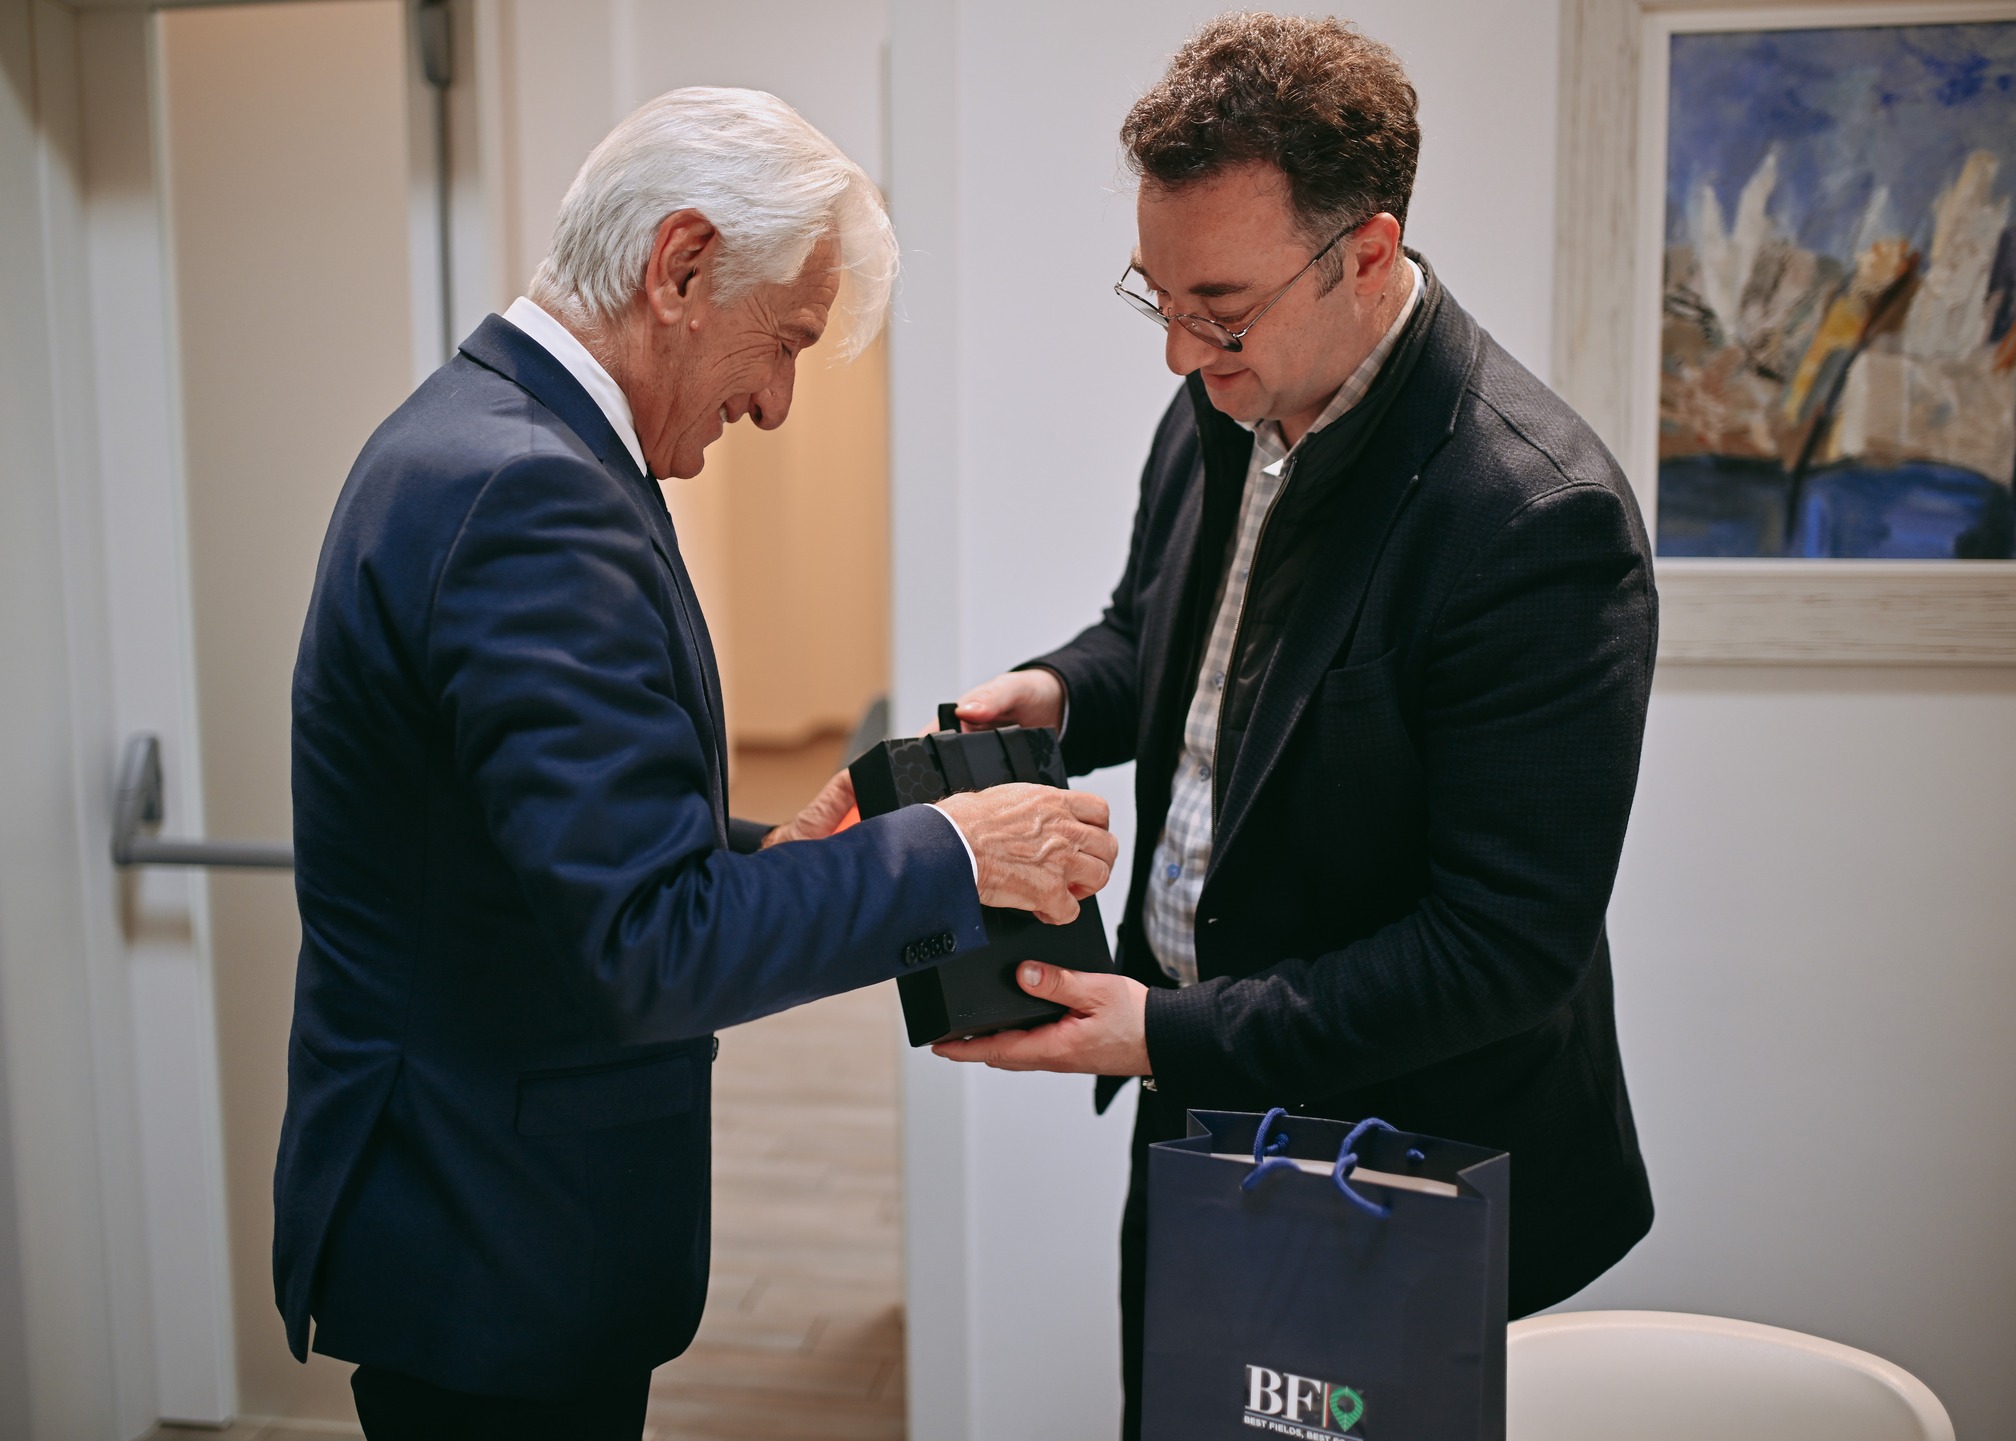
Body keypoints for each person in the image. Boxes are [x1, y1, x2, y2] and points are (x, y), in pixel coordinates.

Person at [274, 87, 1117, 1439]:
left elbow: (540, 841)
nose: (776, 404)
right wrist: (957, 853)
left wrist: (769, 857)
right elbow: (649, 943)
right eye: (784, 342)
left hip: (479, 1216)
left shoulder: (493, 440)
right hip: (489, 1240)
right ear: (679, 266)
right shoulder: (528, 494)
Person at [932, 16, 1657, 1437]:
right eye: (1157, 298)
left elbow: (1502, 948)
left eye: (1220, 307)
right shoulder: (1231, 394)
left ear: (1368, 255)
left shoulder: (1534, 518)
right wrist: (1063, 692)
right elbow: (1174, 640)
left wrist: (1170, 1031)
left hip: (1411, 1165)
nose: (1178, 352)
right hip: (1202, 1104)